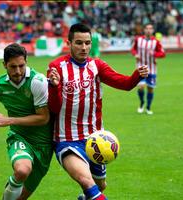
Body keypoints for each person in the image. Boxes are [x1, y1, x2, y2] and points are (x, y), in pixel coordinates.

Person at [47, 23, 148, 200]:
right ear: (68, 43)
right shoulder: (57, 66)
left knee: (100, 185)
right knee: (87, 183)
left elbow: (123, 84)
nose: (84, 47)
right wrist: (53, 87)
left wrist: (137, 75)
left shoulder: (97, 66)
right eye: (79, 43)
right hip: (66, 139)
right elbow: (54, 108)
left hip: (95, 140)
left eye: (87, 43)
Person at [0, 43, 53, 200]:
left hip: (44, 144)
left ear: (26, 62)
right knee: (22, 170)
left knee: (21, 197)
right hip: (19, 138)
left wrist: (9, 120)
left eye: (21, 66)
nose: (18, 71)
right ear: (4, 64)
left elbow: (43, 118)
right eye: (13, 67)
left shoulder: (37, 82)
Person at [131, 23, 166, 115]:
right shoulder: (138, 40)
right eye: (147, 28)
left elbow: (162, 54)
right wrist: (136, 54)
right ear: (144, 30)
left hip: (152, 69)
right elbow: (133, 50)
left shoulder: (156, 42)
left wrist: (154, 54)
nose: (148, 30)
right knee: (141, 87)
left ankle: (148, 107)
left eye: (150, 28)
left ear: (153, 30)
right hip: (141, 68)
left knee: (150, 89)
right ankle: (142, 103)